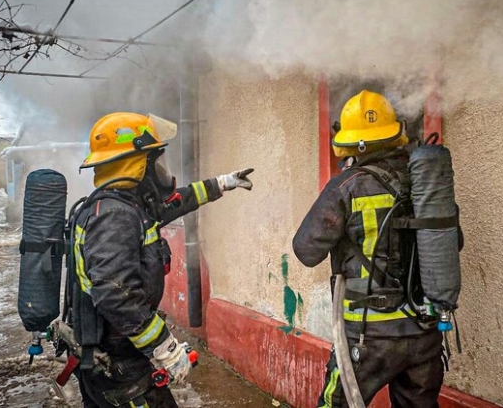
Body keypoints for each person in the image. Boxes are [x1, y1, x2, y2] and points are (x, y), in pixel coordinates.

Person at [70, 112, 254, 408]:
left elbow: (175, 203)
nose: (160, 170)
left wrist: (221, 184)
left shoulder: (125, 206)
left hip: (114, 355)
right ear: (135, 164)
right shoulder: (115, 216)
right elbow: (116, 295)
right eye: (153, 160)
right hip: (118, 364)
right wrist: (164, 348)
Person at [293, 90, 454, 408]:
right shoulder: (425, 185)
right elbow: (452, 241)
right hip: (425, 332)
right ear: (394, 135)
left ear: (354, 145)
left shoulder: (346, 185)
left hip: (368, 337)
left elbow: (305, 251)